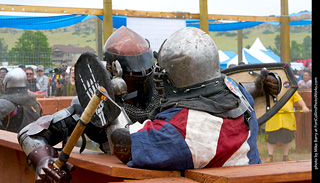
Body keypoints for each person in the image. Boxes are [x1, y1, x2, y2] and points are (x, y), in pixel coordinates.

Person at [17, 27, 281, 182]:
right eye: (136, 77)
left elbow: (212, 99)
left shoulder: (171, 92)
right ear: (112, 72)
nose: (146, 81)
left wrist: (258, 87)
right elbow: (31, 133)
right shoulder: (90, 104)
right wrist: (42, 161)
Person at [265, 91, 309, 162]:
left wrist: (304, 106)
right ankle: (270, 156)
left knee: (287, 138)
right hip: (273, 117)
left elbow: (298, 99)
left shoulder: (290, 88)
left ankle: (285, 156)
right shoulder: (269, 88)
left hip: (287, 118)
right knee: (271, 138)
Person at [0, 68, 42, 133]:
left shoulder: (6, 102)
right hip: (32, 139)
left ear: (7, 83)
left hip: (12, 140)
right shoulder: (35, 102)